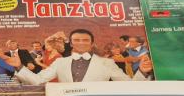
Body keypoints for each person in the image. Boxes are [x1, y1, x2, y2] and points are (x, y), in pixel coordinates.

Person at [10, 29, 153, 84]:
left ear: (92, 44)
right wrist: (19, 66)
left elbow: (129, 85)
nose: (81, 43)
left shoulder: (106, 63)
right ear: (71, 43)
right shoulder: (60, 63)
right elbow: (37, 80)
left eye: (85, 40)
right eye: (77, 40)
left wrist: (142, 71)